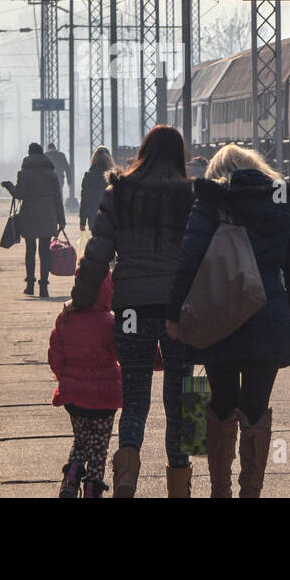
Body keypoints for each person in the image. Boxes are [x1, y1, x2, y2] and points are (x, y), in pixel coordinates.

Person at [166, 144, 290, 498]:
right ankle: (251, 491)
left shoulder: (212, 201)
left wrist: (175, 314)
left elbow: (189, 259)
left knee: (220, 403)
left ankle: (220, 490)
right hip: (269, 317)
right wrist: (288, 314)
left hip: (221, 316)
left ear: (218, 171)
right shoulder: (281, 202)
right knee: (256, 407)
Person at [67, 125, 196, 497]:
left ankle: (126, 477)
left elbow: (98, 252)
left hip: (131, 309)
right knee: (184, 398)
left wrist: (81, 298)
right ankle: (181, 485)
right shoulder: (189, 196)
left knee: (135, 397)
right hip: (179, 310)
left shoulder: (119, 191)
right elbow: (199, 252)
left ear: (144, 151)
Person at [48, 275, 122, 498]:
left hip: (74, 398)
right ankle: (92, 487)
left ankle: (70, 477)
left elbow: (55, 355)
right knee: (99, 448)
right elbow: (120, 353)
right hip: (104, 399)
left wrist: (67, 379)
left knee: (81, 442)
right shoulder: (110, 323)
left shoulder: (65, 319)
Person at [1, 143, 65, 297]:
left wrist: (9, 186)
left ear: (29, 154)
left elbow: (20, 194)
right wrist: (61, 220)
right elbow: (58, 198)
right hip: (48, 214)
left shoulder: (24, 173)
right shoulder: (51, 173)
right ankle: (44, 287)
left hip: (29, 213)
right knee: (45, 251)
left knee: (30, 250)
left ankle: (30, 285)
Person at [79, 146, 116, 233]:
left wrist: (82, 221)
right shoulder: (114, 176)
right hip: (111, 217)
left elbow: (85, 200)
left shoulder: (89, 176)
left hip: (94, 217)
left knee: (97, 244)